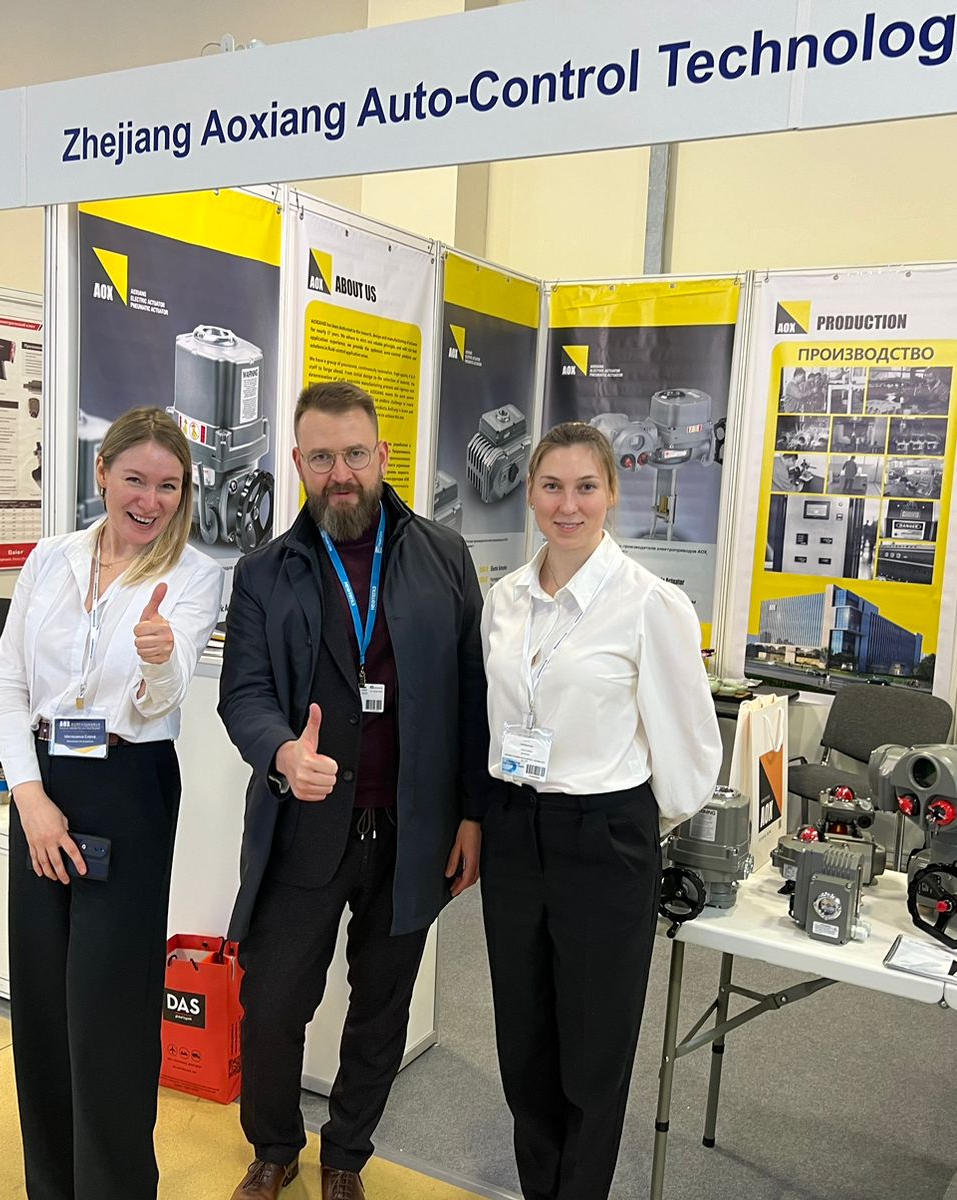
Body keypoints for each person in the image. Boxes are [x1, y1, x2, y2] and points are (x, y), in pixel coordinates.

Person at [218, 381, 491, 1200]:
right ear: (298, 462)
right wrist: (280, 753)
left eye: (355, 454)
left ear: (382, 456)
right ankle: (274, 1147)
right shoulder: (265, 572)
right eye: (322, 457)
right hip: (302, 825)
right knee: (273, 1003)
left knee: (381, 1008)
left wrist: (472, 813)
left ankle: (346, 1157)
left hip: (411, 829)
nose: (341, 473)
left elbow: (474, 696)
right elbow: (244, 693)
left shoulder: (444, 557)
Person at [481, 421, 723, 1200]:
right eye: (552, 486)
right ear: (530, 493)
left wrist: (633, 827)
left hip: (604, 837)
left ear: (612, 493)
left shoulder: (650, 603)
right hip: (515, 830)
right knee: (524, 1044)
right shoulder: (504, 600)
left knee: (593, 1052)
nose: (568, 504)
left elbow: (691, 755)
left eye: (586, 487)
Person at [0, 406, 222, 1200]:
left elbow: (165, 698)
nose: (150, 500)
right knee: (43, 1002)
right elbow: (8, 685)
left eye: (169, 485)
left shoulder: (194, 574)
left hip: (129, 784)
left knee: (108, 1011)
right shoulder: (48, 558)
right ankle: (52, 1185)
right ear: (102, 473)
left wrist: (159, 660)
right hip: (43, 785)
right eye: (135, 479)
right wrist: (29, 798)